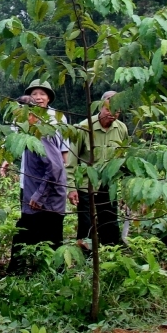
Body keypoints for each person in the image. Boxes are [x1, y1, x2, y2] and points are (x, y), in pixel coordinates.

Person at [9, 95, 67, 273]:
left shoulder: (42, 134)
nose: (16, 120)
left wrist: (39, 195)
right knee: (30, 237)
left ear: (32, 114)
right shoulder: (30, 134)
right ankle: (23, 273)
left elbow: (55, 168)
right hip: (39, 198)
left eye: (19, 115)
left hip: (47, 201)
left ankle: (51, 278)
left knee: (47, 241)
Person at [67, 91, 128, 247]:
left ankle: (110, 252)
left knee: (110, 220)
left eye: (117, 110)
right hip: (86, 184)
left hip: (109, 184)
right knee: (86, 223)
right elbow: (71, 161)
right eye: (108, 109)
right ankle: (85, 254)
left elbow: (123, 158)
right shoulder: (84, 127)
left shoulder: (121, 129)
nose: (112, 113)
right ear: (100, 106)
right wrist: (71, 187)